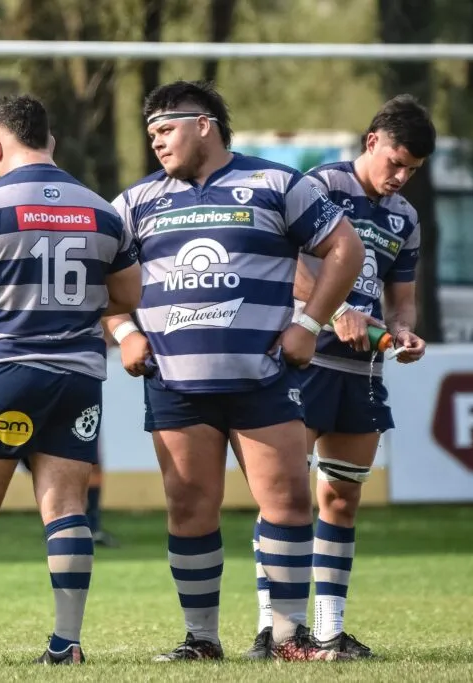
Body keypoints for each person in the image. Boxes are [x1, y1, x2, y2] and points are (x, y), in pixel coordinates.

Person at [103, 80, 365, 662]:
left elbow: (345, 249)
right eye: (150, 134)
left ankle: (287, 638)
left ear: (205, 124)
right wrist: (124, 333)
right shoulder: (135, 202)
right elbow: (101, 279)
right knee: (190, 509)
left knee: (290, 504)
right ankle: (201, 640)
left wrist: (310, 323)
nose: (156, 142)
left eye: (165, 129)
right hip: (175, 383)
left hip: (264, 379)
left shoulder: (276, 184)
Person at [0, 93, 142, 666]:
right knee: (67, 505)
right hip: (76, 378)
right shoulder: (101, 209)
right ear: (52, 142)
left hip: (2, 370)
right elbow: (129, 296)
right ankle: (66, 643)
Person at [246, 94, 433, 660]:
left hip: (362, 372)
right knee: (285, 499)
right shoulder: (320, 187)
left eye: (412, 171)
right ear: (372, 140)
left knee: (342, 499)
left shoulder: (405, 217)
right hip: (306, 363)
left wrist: (403, 331)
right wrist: (332, 310)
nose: (400, 177)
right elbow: (292, 266)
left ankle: (328, 632)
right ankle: (272, 630)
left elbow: (402, 299)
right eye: (395, 162)